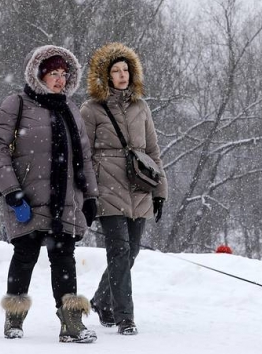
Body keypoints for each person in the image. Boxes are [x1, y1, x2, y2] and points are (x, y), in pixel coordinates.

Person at [0, 45, 99, 343]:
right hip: (26, 197)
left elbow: (84, 156)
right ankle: (14, 317)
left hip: (66, 201)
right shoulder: (17, 103)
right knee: (25, 255)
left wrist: (90, 196)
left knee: (65, 257)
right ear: (38, 74)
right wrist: (11, 191)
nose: (60, 80)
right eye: (53, 74)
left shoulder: (71, 109)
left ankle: (71, 323)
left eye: (64, 74)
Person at [80, 42, 168, 336]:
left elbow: (153, 151)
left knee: (131, 254)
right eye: (116, 70)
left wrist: (160, 191)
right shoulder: (91, 109)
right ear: (105, 75)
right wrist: (89, 192)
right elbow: (83, 154)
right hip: (107, 188)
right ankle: (125, 317)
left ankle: (102, 301)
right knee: (119, 253)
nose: (122, 75)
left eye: (126, 70)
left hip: (140, 187)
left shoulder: (140, 107)